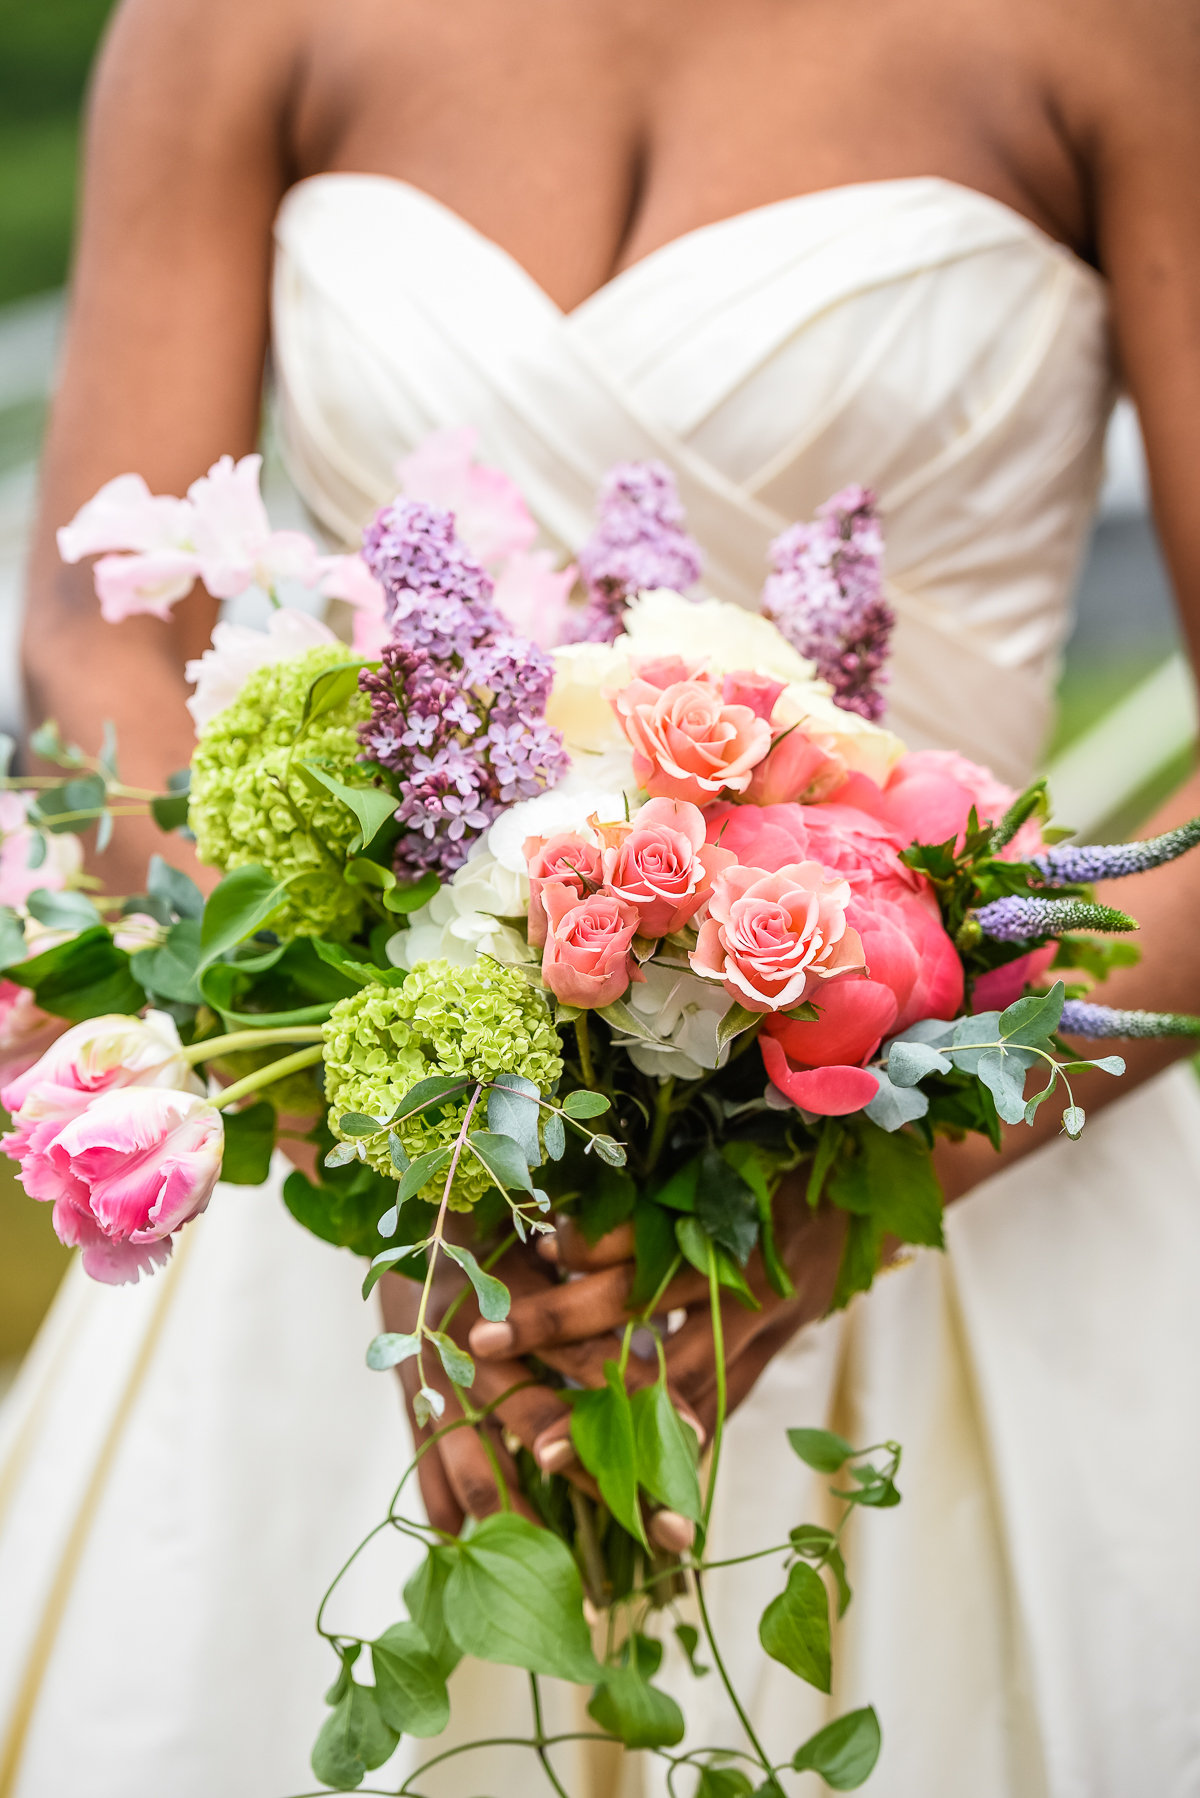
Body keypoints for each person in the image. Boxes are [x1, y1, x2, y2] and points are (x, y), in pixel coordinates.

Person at [2, 0, 1200, 1791]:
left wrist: (859, 1201)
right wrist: (393, 1129)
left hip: (967, 1205)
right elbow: (99, 641)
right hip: (383, 1239)